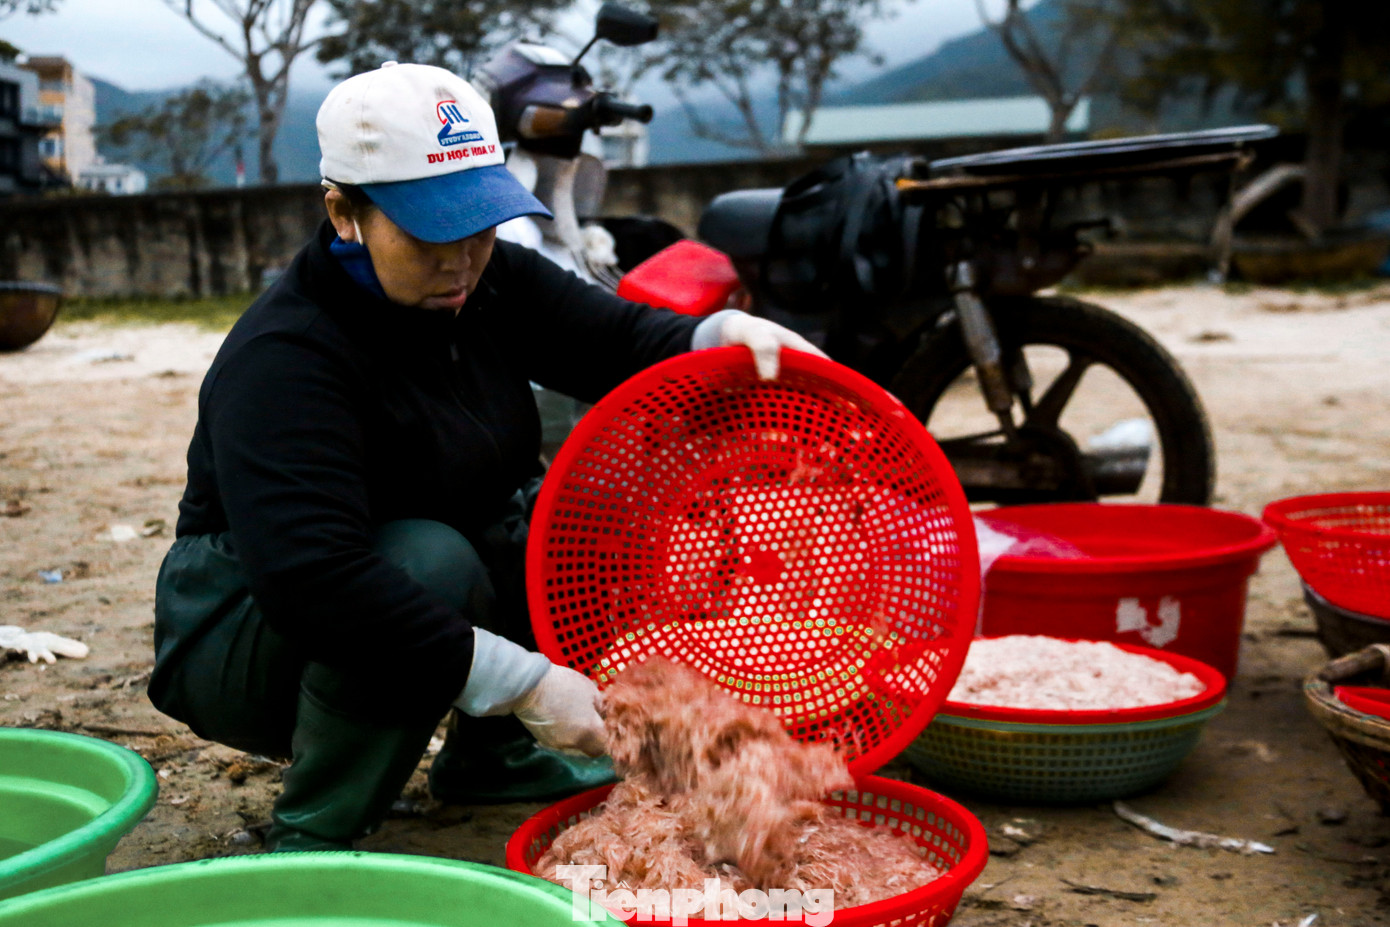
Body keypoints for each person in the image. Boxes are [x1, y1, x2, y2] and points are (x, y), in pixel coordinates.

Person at [148, 61, 823, 853]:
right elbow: (312, 577)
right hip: (250, 627)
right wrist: (528, 683)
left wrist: (720, 339)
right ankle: (316, 826)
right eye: (430, 232)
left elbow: (618, 340)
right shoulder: (288, 356)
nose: (461, 258)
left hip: (393, 582)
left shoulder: (489, 280)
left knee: (588, 502)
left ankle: (489, 757)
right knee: (426, 559)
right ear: (344, 213)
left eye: (479, 224)